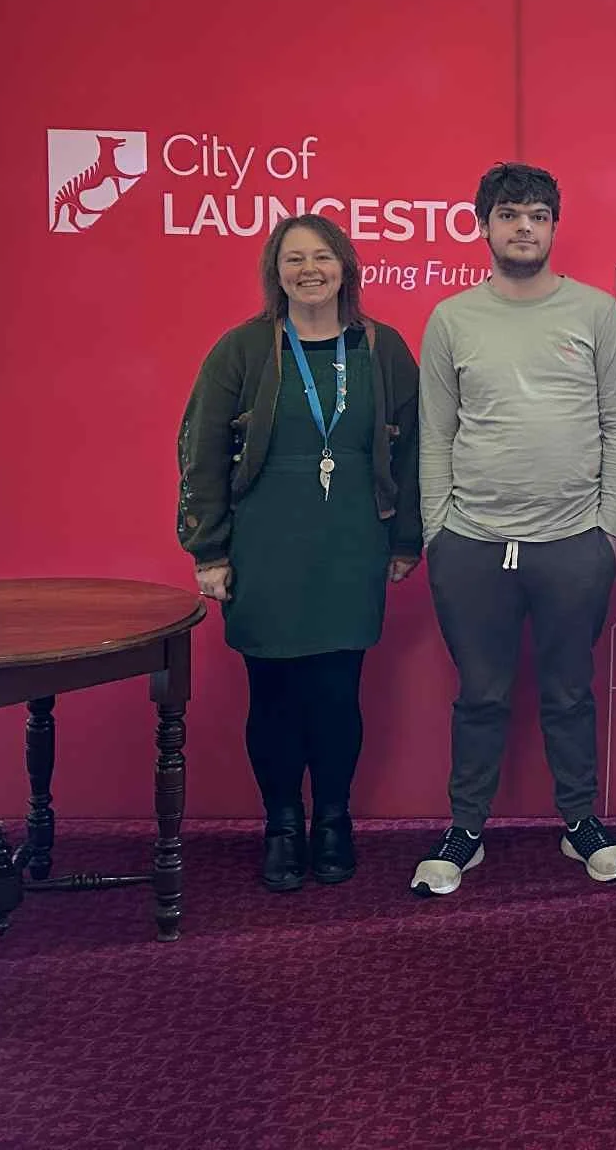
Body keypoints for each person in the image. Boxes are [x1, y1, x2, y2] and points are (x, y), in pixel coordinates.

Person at [409, 163, 616, 895]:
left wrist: (607, 530)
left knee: (570, 692)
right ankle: (465, 830)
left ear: (552, 227)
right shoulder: (452, 319)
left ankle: (581, 824)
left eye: (537, 216)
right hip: (471, 542)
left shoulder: (596, 314)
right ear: (484, 226)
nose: (523, 229)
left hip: (575, 542)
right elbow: (435, 433)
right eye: (509, 215)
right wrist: (438, 530)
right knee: (481, 694)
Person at [177, 214, 422, 891]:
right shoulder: (243, 350)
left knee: (339, 694)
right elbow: (200, 455)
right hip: (265, 549)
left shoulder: (383, 349)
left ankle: (333, 822)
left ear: (346, 267)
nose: (308, 270)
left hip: (352, 546)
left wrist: (405, 538)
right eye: (293, 259)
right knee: (276, 695)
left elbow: (415, 453)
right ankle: (282, 824)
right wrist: (209, 552)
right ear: (275, 272)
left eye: (322, 257)